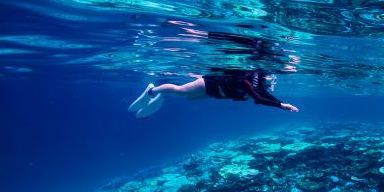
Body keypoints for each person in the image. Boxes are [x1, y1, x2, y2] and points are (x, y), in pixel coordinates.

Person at [128, 69, 299, 118]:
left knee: (188, 98)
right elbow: (260, 99)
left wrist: (279, 102)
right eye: (273, 80)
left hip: (215, 93)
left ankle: (162, 95)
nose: (273, 83)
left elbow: (264, 96)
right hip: (210, 84)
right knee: (180, 92)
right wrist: (282, 105)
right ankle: (152, 90)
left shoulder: (259, 85)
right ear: (266, 76)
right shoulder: (251, 78)